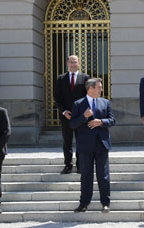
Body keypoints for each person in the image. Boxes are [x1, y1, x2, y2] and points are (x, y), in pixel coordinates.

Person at [70, 78, 115, 213]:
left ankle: (105, 203)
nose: (101, 89)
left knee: (103, 175)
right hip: (85, 146)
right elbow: (72, 124)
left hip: (102, 144)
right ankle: (84, 204)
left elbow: (112, 120)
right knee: (86, 175)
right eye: (99, 87)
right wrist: (84, 116)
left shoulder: (105, 103)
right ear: (90, 88)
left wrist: (101, 121)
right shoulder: (78, 104)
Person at [54, 55, 89, 174]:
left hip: (80, 117)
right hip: (66, 116)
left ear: (79, 63)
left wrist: (83, 113)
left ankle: (80, 165)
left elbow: (87, 97)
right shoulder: (61, 78)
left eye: (75, 62)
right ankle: (68, 165)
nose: (73, 64)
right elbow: (57, 97)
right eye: (71, 62)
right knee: (67, 142)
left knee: (81, 141)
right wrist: (64, 111)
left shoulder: (85, 78)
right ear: (67, 63)